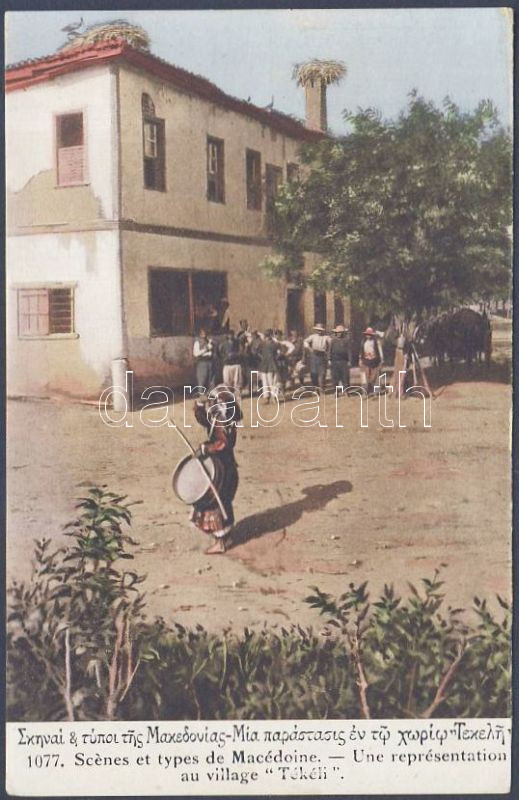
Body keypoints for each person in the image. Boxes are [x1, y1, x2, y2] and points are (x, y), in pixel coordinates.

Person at [190, 386, 242, 554]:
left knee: (216, 502)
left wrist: (206, 448)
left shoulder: (223, 421)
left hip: (223, 470)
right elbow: (206, 420)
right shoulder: (221, 418)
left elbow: (222, 443)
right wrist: (199, 406)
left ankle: (221, 542)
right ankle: (224, 537)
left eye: (213, 401)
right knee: (219, 502)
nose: (211, 404)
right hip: (222, 466)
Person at [304, 323, 331, 390]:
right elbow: (305, 342)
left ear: (323, 330)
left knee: (322, 373)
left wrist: (328, 351)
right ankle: (315, 389)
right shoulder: (312, 336)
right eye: (318, 330)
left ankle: (321, 389)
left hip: (322, 356)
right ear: (316, 330)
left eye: (321, 330)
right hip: (314, 356)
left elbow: (331, 342)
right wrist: (309, 348)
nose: (319, 331)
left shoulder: (326, 337)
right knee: (314, 373)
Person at [359, 326, 384, 395]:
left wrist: (381, 360)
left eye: (370, 334)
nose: (368, 336)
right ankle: (365, 391)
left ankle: (376, 391)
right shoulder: (363, 342)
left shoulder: (376, 342)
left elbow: (380, 351)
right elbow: (361, 352)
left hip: (375, 361)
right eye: (367, 334)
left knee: (375, 377)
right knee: (365, 377)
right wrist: (360, 359)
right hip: (365, 361)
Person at [257, 329, 280, 402]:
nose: (267, 337)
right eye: (266, 335)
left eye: (268, 335)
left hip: (272, 364)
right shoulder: (262, 344)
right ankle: (267, 397)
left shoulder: (275, 344)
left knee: (273, 381)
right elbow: (257, 352)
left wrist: (275, 358)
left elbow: (280, 352)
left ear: (271, 335)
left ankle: (274, 397)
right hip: (265, 365)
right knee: (266, 382)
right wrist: (263, 358)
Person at [329, 325, 351, 390]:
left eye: (341, 332)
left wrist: (349, 360)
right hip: (334, 361)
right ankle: (335, 391)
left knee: (345, 376)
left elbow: (349, 351)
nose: (339, 334)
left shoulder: (346, 340)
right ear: (336, 333)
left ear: (343, 333)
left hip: (344, 361)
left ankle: (346, 390)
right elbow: (330, 350)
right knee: (335, 377)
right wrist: (329, 359)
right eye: (338, 332)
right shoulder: (333, 340)